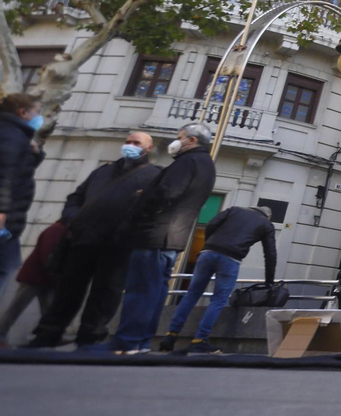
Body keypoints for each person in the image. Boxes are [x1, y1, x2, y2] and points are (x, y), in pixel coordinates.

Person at [27, 131, 160, 349]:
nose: (130, 145)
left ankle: (90, 337)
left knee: (106, 293)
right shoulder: (103, 171)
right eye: (127, 141)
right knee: (68, 290)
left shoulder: (153, 175)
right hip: (84, 239)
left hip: (117, 245)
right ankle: (48, 333)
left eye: (136, 143)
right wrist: (73, 219)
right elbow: (76, 197)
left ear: (148, 148)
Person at [110, 123, 216, 353]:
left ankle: (128, 341)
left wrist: (143, 201)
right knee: (155, 292)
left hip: (155, 235)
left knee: (141, 291)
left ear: (192, 141)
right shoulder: (206, 164)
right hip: (171, 239)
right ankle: (141, 342)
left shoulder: (187, 162)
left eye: (180, 137)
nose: (176, 141)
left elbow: (167, 193)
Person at [158, 202, 277, 354]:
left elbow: (211, 224)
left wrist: (208, 244)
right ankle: (200, 340)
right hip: (231, 259)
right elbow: (270, 254)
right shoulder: (266, 224)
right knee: (218, 299)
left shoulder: (233, 210)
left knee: (192, 294)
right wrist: (269, 281)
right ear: (269, 216)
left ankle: (170, 336)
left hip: (207, 254)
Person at [0, 93, 46, 305]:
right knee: (7, 269)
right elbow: (5, 176)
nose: (40, 116)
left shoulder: (15, 135)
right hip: (6, 221)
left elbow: (19, 171)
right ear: (23, 113)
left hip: (9, 221)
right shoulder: (13, 136)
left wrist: (36, 154)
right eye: (37, 111)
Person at [0, 219, 66, 347]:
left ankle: (50, 336)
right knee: (16, 308)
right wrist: (56, 278)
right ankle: (1, 334)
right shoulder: (56, 230)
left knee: (48, 310)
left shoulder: (58, 230)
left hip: (42, 277)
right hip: (34, 277)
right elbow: (47, 255)